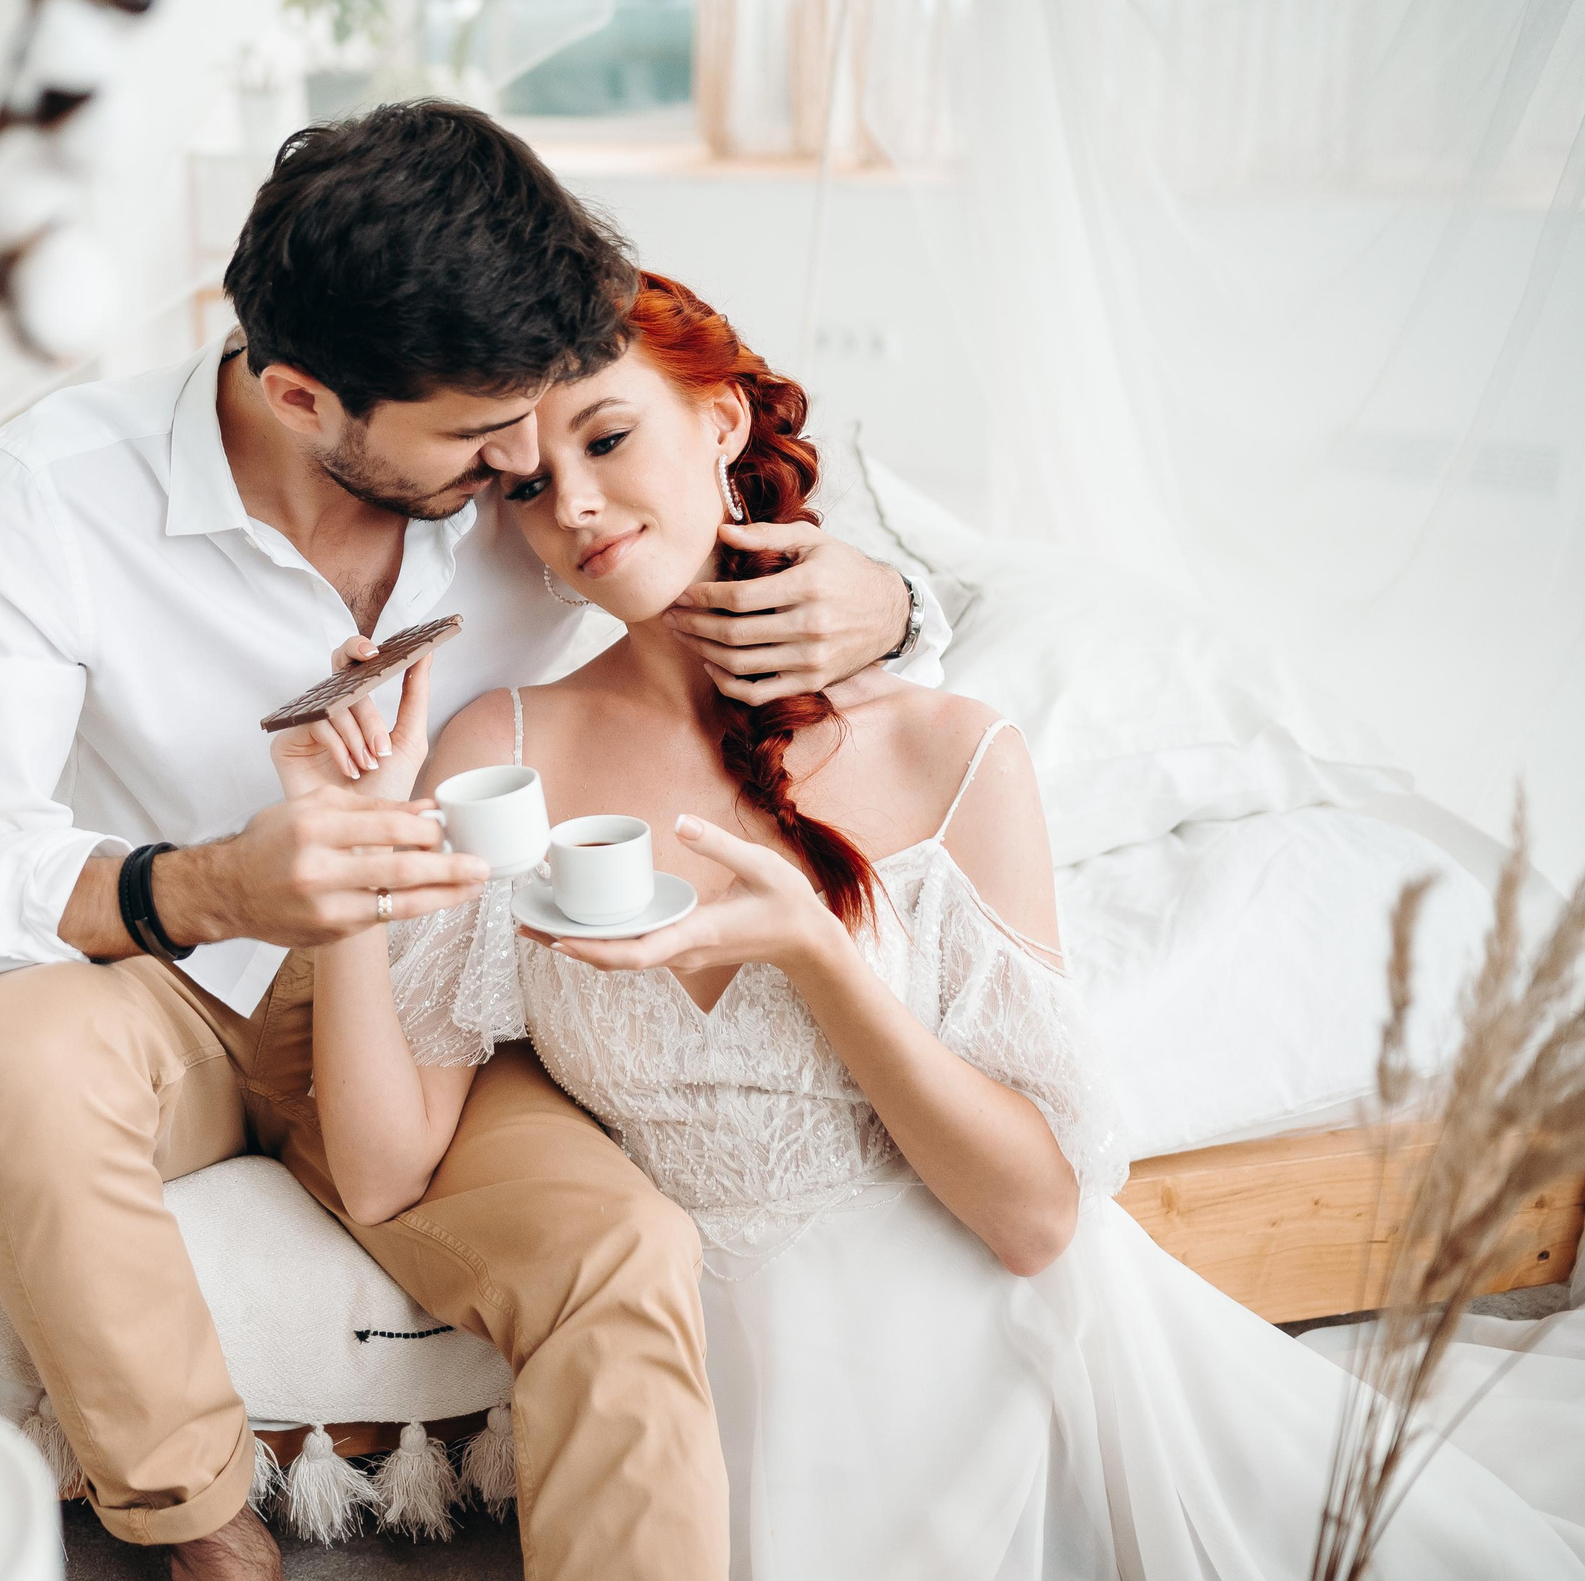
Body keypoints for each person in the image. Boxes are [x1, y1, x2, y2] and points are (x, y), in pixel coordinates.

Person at [295, 270, 1585, 1577]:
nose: (570, 504)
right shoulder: (501, 751)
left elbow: (1036, 1222)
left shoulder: (949, 753)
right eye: (522, 482)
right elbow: (391, 1170)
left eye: (608, 437)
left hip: (977, 1358)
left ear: (722, 425)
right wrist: (344, 843)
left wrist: (818, 955)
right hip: (694, 1406)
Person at [0, 102, 949, 1580]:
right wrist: (209, 887)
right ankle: (207, 1538)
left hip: (439, 1002)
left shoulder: (533, 459)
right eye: (474, 438)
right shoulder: (42, 502)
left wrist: (896, 601)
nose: (529, 465)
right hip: (179, 976)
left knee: (623, 1252)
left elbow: (735, 495)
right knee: (18, 1046)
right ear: (303, 396)